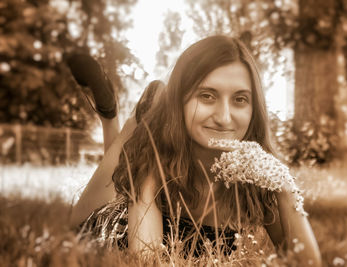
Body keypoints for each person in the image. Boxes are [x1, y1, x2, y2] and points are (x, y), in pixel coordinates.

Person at [67, 35, 321, 265]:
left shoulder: (258, 178)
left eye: (240, 99)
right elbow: (147, 260)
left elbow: (307, 263)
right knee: (73, 229)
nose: (224, 118)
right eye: (207, 96)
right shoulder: (155, 154)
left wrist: (284, 184)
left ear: (255, 110)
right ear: (181, 102)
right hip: (115, 230)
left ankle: (148, 108)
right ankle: (111, 115)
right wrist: (148, 173)